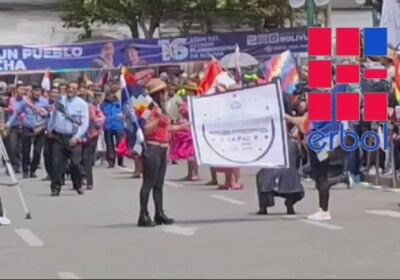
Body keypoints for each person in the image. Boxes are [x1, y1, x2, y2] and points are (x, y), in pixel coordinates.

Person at [137, 78, 188, 227]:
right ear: (159, 93)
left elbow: (166, 128)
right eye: (165, 91)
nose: (167, 94)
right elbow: (146, 129)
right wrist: (158, 118)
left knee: (159, 184)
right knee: (148, 183)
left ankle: (159, 213)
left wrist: (182, 127)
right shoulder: (148, 108)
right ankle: (143, 215)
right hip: (152, 148)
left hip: (162, 148)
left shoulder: (161, 108)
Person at [47, 81, 89, 196]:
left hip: (73, 137)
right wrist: (49, 129)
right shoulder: (60, 100)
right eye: (69, 87)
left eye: (73, 88)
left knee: (75, 164)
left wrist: (76, 137)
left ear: (78, 90)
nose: (71, 90)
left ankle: (77, 184)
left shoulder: (82, 104)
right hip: (59, 136)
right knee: (56, 163)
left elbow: (85, 123)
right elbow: (53, 115)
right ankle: (55, 188)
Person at [6, 85, 49, 178]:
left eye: (39, 91)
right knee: (26, 151)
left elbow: (49, 114)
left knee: (37, 151)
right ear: (31, 92)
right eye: (35, 91)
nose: (37, 93)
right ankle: (25, 170)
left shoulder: (44, 102)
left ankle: (33, 170)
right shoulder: (25, 102)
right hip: (27, 128)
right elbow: (16, 113)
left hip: (41, 128)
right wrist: (9, 123)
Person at [82, 90, 105, 190]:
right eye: (96, 96)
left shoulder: (98, 107)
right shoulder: (89, 106)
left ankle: (88, 181)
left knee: (87, 159)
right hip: (84, 134)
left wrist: (99, 122)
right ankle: (83, 178)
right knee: (81, 159)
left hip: (92, 135)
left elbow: (99, 119)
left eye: (100, 96)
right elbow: (93, 118)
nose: (98, 99)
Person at [101, 90, 125, 168]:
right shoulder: (103, 105)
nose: (110, 97)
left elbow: (125, 113)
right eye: (108, 96)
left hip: (119, 126)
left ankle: (120, 161)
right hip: (108, 127)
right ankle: (111, 161)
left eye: (111, 95)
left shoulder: (119, 103)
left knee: (120, 144)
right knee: (109, 145)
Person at [5, 84, 26, 174]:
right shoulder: (11, 100)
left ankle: (18, 165)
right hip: (13, 126)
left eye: (23, 89)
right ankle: (12, 166)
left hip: (23, 126)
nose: (22, 91)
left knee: (20, 148)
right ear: (16, 90)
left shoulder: (26, 100)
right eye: (20, 89)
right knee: (12, 147)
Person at [42, 87, 60, 181]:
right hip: (46, 131)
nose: (54, 94)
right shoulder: (44, 103)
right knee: (47, 154)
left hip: (57, 132)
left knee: (57, 154)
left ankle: (59, 174)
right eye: (52, 92)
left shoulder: (61, 104)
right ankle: (49, 173)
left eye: (56, 92)